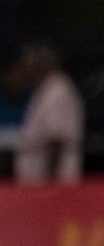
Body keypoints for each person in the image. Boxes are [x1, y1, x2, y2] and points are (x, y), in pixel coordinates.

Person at [11, 44, 84, 184]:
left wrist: (50, 183)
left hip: (52, 183)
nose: (26, 71)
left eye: (29, 65)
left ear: (42, 64)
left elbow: (56, 140)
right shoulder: (43, 89)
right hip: (38, 184)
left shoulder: (57, 92)